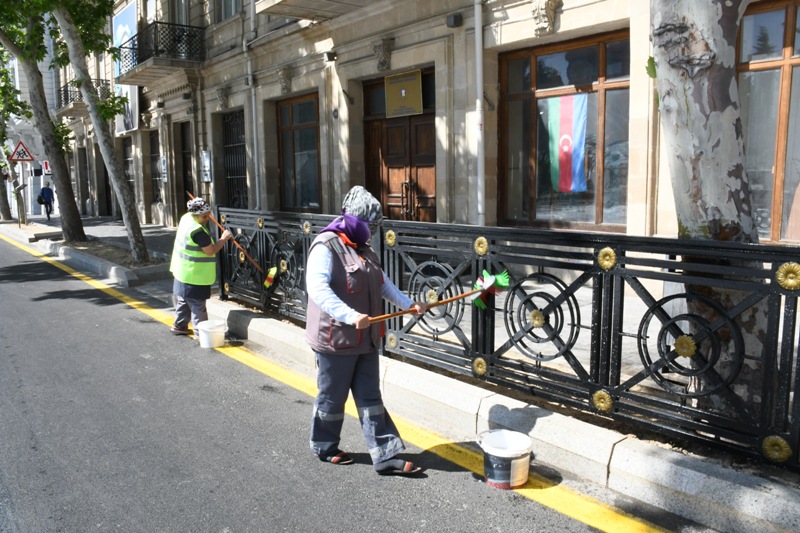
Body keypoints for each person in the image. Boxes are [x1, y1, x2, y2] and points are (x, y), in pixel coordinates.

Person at [305, 185, 427, 476]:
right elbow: (317, 289)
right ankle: (325, 446)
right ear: (353, 220)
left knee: (371, 397)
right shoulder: (326, 246)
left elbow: (382, 283)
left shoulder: (365, 249)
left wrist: (409, 304)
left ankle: (385, 455)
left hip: (366, 338)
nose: (371, 232)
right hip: (336, 340)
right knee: (332, 397)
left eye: (374, 226)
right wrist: (350, 316)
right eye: (368, 225)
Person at [169, 197, 232, 336]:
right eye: (204, 216)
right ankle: (202, 334)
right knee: (198, 305)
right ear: (195, 215)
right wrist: (223, 239)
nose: (207, 219)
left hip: (181, 271)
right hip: (195, 275)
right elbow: (210, 250)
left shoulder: (186, 218)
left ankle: (179, 326)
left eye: (208, 215)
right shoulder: (197, 231)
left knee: (184, 299)